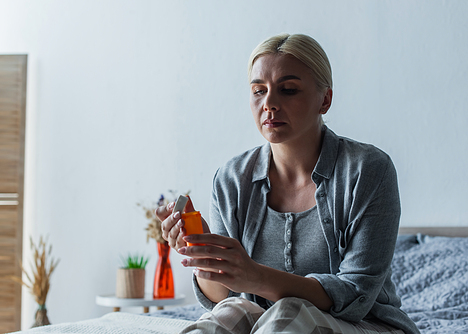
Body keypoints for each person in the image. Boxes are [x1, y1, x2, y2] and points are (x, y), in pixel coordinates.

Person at [156, 33, 420, 334]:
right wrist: (205, 257)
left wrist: (255, 276)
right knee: (229, 313)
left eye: (289, 90)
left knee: (290, 313)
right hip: (266, 322)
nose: (269, 103)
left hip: (365, 325)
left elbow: (356, 296)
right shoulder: (231, 179)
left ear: (325, 99)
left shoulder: (368, 171)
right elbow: (222, 297)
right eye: (258, 91)